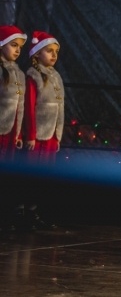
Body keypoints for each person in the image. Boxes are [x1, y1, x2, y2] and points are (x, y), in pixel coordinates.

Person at [20, 30, 64, 231]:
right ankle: (21, 213)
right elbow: (28, 107)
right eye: (49, 51)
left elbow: (60, 107)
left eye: (56, 51)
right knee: (30, 175)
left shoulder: (55, 76)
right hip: (36, 137)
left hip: (50, 136)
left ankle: (33, 212)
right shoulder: (33, 76)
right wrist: (29, 135)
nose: (54, 55)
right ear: (37, 53)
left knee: (42, 177)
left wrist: (57, 135)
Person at [0, 25, 27, 232]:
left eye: (19, 47)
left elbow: (20, 105)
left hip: (10, 131)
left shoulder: (18, 73)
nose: (17, 50)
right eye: (13, 45)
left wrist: (18, 132)